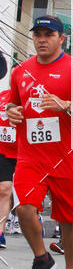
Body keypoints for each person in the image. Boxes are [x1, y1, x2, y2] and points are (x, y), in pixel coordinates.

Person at [5, 15, 73, 269]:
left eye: (48, 34)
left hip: (66, 158)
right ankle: (42, 257)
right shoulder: (20, 71)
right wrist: (12, 111)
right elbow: (13, 103)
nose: (41, 39)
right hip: (30, 156)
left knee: (68, 219)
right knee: (24, 208)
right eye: (37, 34)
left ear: (61, 39)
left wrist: (66, 104)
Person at [0, 88, 18, 248]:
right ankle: (0, 233)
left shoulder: (32, 97)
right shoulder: (2, 96)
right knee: (4, 189)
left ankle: (34, 217)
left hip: (27, 152)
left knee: (26, 198)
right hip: (3, 151)